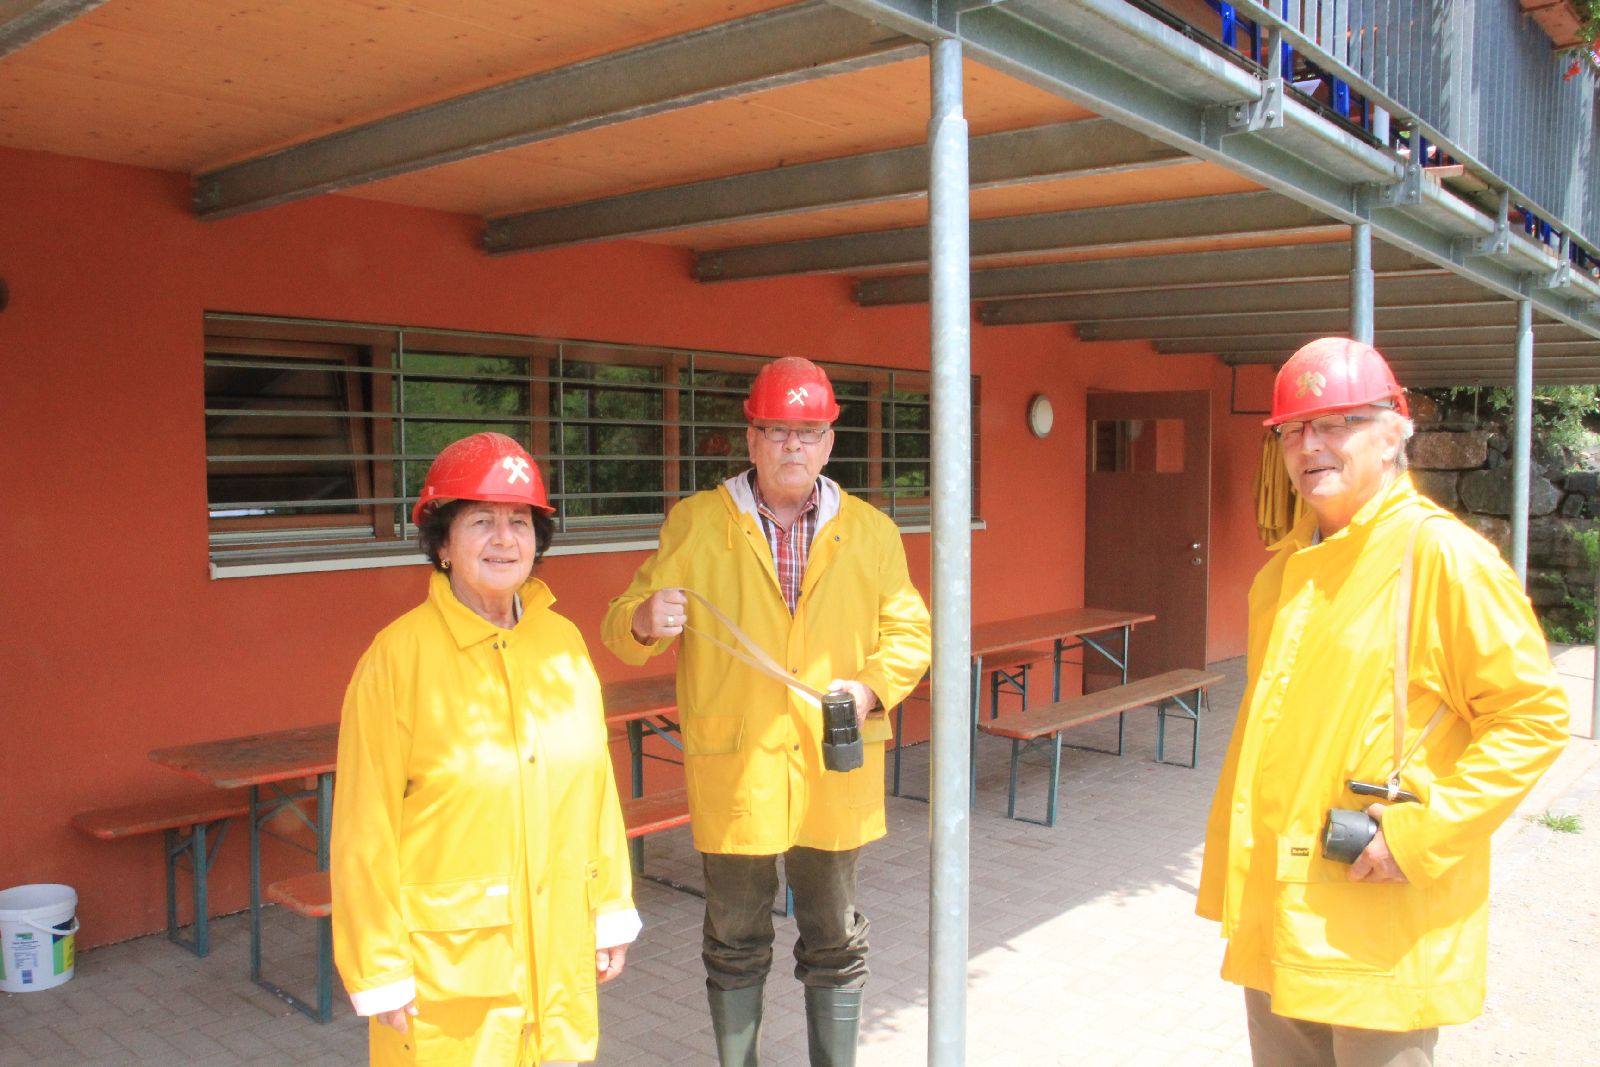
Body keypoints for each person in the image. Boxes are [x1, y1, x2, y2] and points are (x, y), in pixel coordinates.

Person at [1197, 338, 1570, 1066]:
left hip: (1375, 923)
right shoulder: (1286, 573)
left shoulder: (1442, 560)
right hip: (1281, 915)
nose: (1311, 445)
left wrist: (1417, 835)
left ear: (1395, 434)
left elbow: (1533, 717)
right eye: (1294, 430)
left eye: (1338, 422)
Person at [602, 356, 931, 1067]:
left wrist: (869, 690)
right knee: (735, 938)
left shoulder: (871, 531)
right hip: (738, 768)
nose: (792, 446)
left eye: (807, 432)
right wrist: (644, 619)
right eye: (776, 430)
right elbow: (621, 623)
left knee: (835, 937)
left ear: (829, 443)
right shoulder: (697, 523)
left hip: (832, 764)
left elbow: (911, 634)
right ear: (750, 439)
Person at [331, 432, 640, 1067]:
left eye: (519, 521)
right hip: (450, 980)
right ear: (443, 544)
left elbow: (597, 791)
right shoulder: (397, 660)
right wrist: (379, 967)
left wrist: (611, 908)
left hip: (557, 961)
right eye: (480, 521)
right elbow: (364, 826)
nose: (504, 539)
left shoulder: (562, 644)